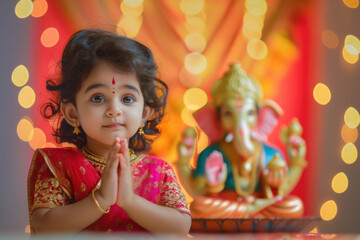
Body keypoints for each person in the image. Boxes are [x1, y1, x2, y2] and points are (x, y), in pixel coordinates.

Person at [27, 29, 191, 235]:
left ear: (144, 114)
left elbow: (180, 227)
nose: (114, 109)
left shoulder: (158, 171)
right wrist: (101, 199)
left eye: (127, 98)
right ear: (72, 113)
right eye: (97, 98)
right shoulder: (60, 166)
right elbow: (44, 226)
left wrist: (130, 201)